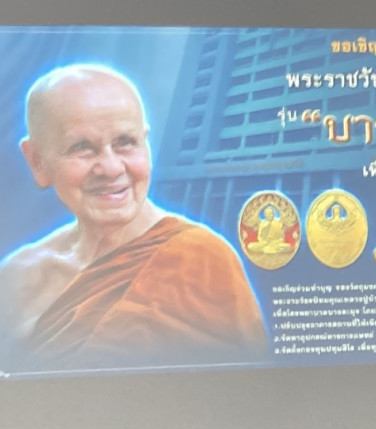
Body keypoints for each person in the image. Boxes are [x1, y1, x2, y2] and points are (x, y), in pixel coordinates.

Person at [0, 64, 267, 372]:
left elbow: (244, 393)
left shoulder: (204, 262)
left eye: (126, 142)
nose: (112, 168)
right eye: (82, 148)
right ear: (37, 161)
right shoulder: (15, 278)